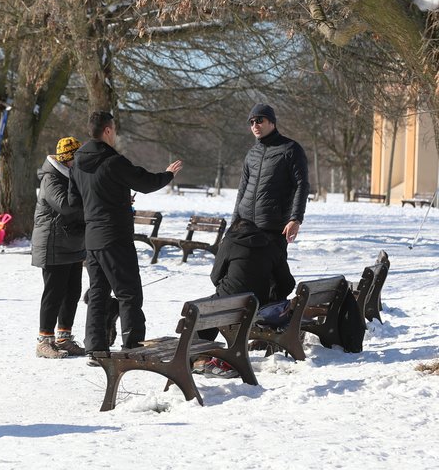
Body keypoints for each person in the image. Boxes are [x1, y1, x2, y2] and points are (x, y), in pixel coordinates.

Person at [68, 111, 182, 363]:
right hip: (115, 237)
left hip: (92, 238)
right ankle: (133, 346)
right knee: (128, 292)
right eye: (114, 130)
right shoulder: (112, 161)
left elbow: (74, 202)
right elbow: (145, 182)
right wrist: (168, 175)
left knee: (98, 292)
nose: (115, 134)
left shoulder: (77, 164)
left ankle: (95, 348)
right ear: (108, 130)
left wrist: (109, 200)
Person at [197, 217, 297, 377]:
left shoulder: (229, 242)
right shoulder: (270, 246)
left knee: (202, 310)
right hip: (258, 304)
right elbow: (288, 283)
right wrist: (272, 296)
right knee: (208, 307)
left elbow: (215, 276)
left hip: (229, 301)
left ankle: (199, 358)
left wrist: (227, 286)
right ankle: (202, 357)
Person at [31, 136, 87, 359]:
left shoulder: (73, 176)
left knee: (72, 292)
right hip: (53, 242)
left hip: (72, 242)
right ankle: (44, 340)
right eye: (77, 158)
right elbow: (65, 206)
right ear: (67, 159)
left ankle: (64, 337)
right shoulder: (52, 179)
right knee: (54, 293)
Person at [234, 103, 309, 247]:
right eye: (252, 122)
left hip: (273, 228)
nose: (255, 125)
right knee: (230, 267)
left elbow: (302, 185)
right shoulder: (251, 154)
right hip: (245, 226)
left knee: (272, 269)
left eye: (260, 120)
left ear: (272, 122)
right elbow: (242, 191)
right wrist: (234, 224)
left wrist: (296, 219)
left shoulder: (291, 149)